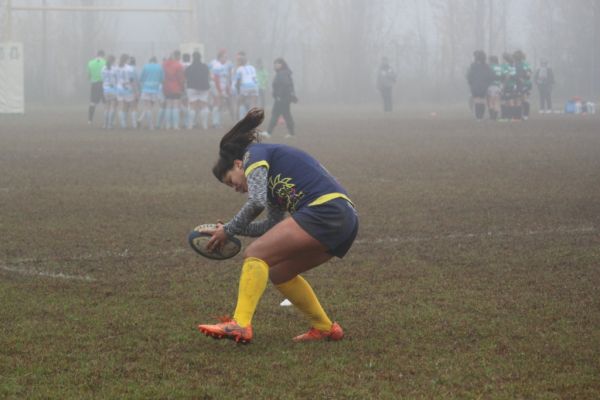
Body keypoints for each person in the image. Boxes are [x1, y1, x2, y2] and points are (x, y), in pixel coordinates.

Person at [197, 108, 358, 344]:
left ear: (239, 164)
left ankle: (240, 324)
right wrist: (231, 230)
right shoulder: (269, 178)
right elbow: (272, 224)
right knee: (280, 272)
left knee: (255, 253)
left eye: (232, 181)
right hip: (344, 221)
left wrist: (229, 229)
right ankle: (325, 327)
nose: (236, 188)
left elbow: (256, 202)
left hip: (326, 210)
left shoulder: (255, 154)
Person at [263, 58, 297, 138]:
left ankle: (268, 132)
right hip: (285, 98)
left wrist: (279, 96)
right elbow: (288, 86)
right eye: (274, 64)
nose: (274, 66)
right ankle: (292, 133)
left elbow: (286, 85)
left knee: (275, 114)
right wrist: (291, 95)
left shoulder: (282, 74)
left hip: (281, 99)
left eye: (276, 64)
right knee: (287, 115)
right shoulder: (284, 73)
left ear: (281, 65)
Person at [184, 51, 211, 130]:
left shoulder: (189, 68)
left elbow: (185, 77)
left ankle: (190, 125)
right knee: (204, 105)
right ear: (200, 58)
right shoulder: (205, 67)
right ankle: (204, 125)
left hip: (191, 87)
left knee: (192, 106)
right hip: (204, 87)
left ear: (193, 58)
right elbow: (208, 76)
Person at [209, 49, 235, 128]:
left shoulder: (228, 64)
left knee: (223, 104)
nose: (226, 58)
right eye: (224, 57)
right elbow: (216, 78)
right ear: (220, 57)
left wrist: (228, 87)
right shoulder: (215, 64)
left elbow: (228, 77)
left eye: (226, 57)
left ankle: (218, 122)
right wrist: (219, 90)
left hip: (224, 86)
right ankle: (215, 123)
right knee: (218, 103)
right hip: (216, 86)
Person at [467, 50, 494, 120]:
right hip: (484, 86)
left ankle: (478, 117)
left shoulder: (473, 66)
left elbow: (469, 76)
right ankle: (481, 117)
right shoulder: (487, 66)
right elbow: (490, 76)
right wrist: (487, 83)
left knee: (477, 100)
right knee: (482, 100)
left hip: (475, 86)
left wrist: (471, 83)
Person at [139, 56, 164, 130]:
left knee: (148, 107)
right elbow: (162, 79)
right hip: (155, 89)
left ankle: (149, 124)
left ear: (149, 61)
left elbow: (141, 78)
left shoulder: (145, 66)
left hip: (146, 89)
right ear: (156, 61)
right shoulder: (160, 67)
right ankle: (150, 125)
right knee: (150, 107)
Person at [162, 50, 185, 130]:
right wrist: (182, 87)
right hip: (176, 87)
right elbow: (181, 78)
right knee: (175, 106)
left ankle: (168, 125)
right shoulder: (178, 65)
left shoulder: (164, 64)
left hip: (166, 87)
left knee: (168, 106)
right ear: (176, 56)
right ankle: (175, 125)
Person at [232, 51, 259, 120]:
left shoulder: (239, 69)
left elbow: (237, 82)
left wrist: (237, 91)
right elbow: (255, 79)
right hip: (254, 87)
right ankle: (253, 120)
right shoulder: (252, 67)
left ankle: (241, 120)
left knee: (240, 103)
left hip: (245, 87)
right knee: (252, 104)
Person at [87, 50, 106, 125]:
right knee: (106, 103)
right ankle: (106, 120)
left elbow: (88, 76)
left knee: (92, 103)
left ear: (96, 54)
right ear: (103, 55)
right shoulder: (105, 62)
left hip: (94, 84)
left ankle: (89, 120)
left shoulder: (90, 63)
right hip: (103, 84)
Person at [514, 50, 532, 120]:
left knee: (519, 99)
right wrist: (525, 77)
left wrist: (522, 78)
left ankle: (519, 116)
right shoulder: (525, 64)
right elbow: (529, 74)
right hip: (526, 83)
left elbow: (528, 74)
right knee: (524, 99)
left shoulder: (515, 64)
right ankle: (525, 115)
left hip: (520, 83)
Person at [101, 55, 118, 129]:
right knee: (112, 107)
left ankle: (105, 124)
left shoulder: (103, 68)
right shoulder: (114, 69)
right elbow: (117, 79)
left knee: (106, 107)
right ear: (113, 61)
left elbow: (102, 78)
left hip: (105, 89)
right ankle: (110, 125)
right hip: (113, 89)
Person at [500, 52, 518, 120]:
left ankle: (504, 117)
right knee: (511, 100)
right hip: (513, 85)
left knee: (504, 101)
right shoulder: (512, 65)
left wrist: (503, 85)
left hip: (507, 85)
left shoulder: (504, 66)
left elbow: (507, 76)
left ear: (504, 59)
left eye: (502, 58)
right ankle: (511, 117)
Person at [487, 55, 503, 120]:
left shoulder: (489, 67)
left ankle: (491, 117)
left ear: (491, 60)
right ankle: (495, 117)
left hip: (490, 85)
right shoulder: (500, 67)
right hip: (498, 85)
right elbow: (502, 76)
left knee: (490, 101)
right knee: (497, 101)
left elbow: (487, 76)